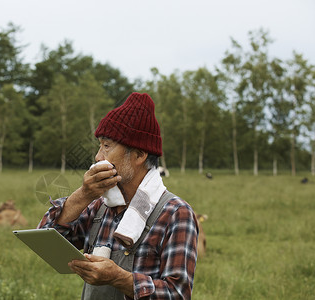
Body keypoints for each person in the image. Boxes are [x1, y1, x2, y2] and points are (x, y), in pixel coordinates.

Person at [38, 92, 199, 299]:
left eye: (107, 146)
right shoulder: (99, 206)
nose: (98, 157)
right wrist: (84, 194)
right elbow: (45, 239)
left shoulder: (176, 214)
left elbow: (177, 294)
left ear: (140, 155)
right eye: (100, 146)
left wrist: (119, 278)